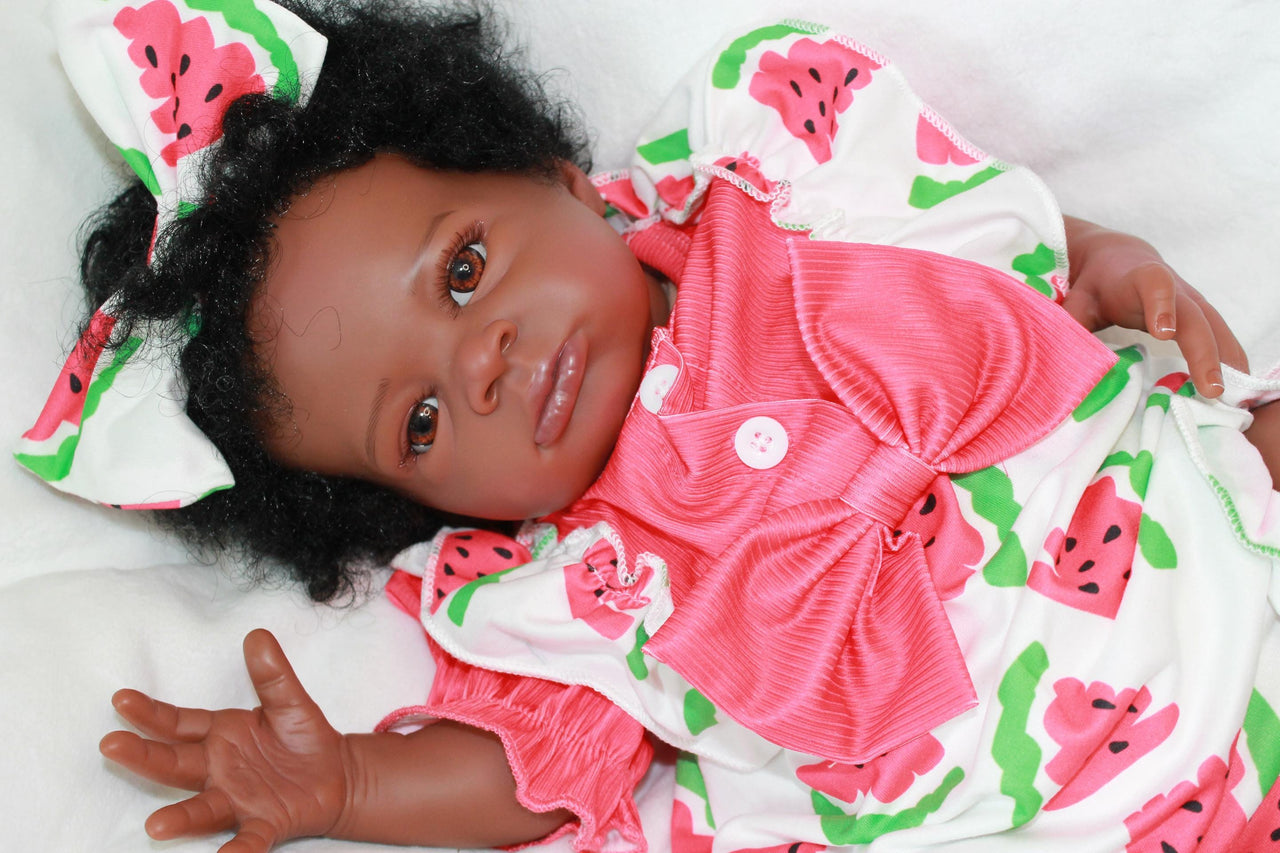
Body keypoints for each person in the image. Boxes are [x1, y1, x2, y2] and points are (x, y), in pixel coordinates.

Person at [18, 0, 1280, 850]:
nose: (484, 363)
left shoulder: (777, 186)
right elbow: (526, 775)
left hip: (1209, 539)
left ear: (559, 178)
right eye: (417, 420)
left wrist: (1107, 258)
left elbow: (1010, 249)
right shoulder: (564, 587)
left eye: (463, 270)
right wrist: (347, 783)